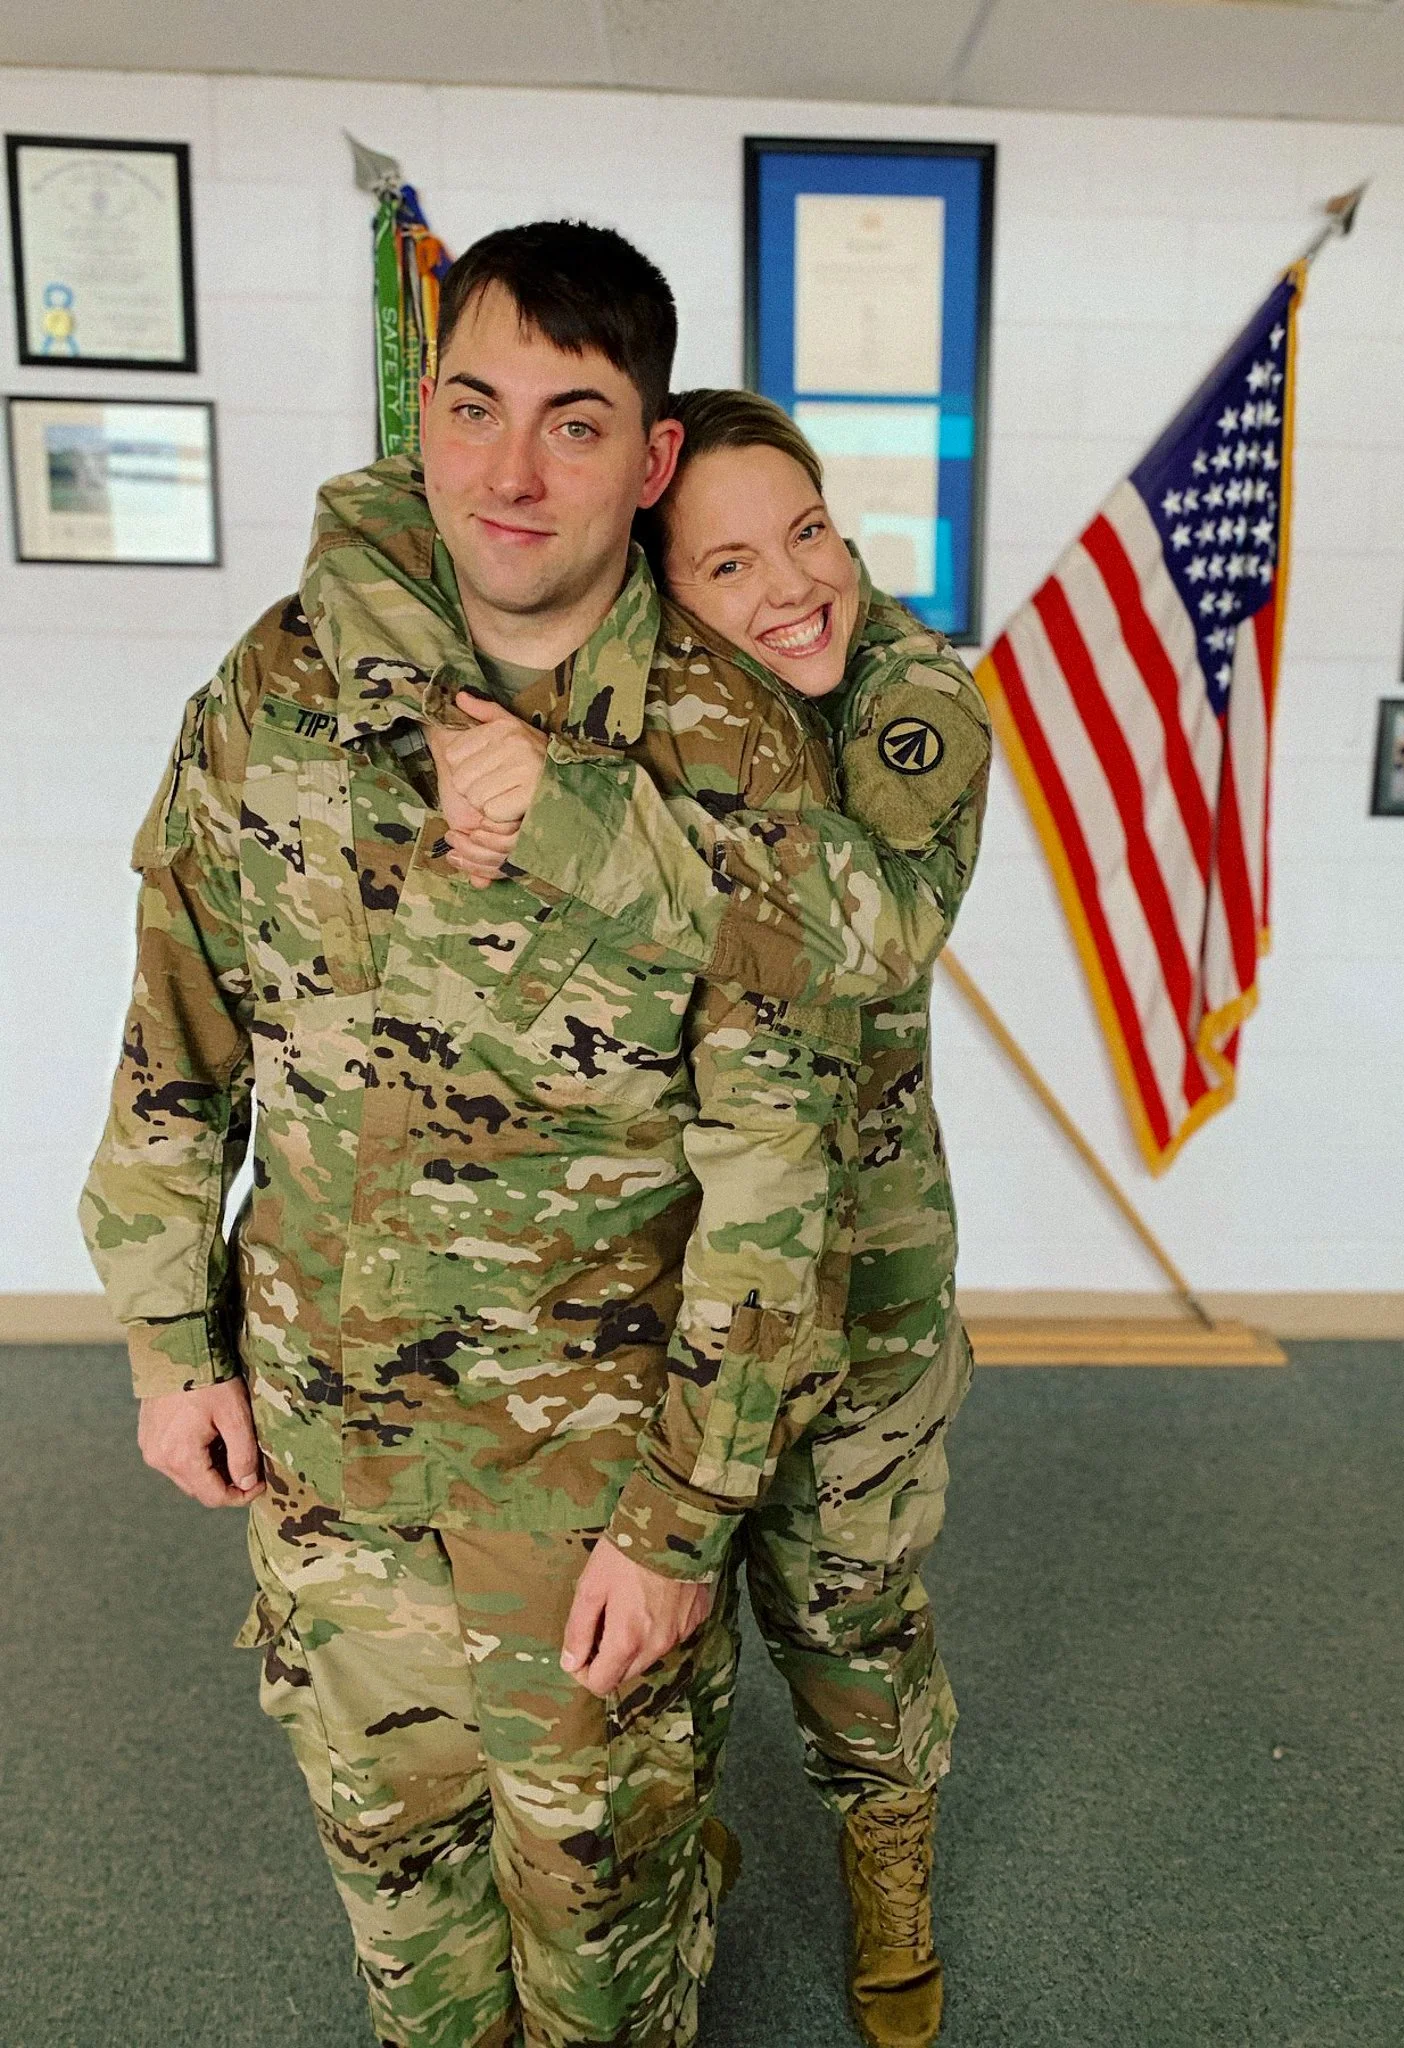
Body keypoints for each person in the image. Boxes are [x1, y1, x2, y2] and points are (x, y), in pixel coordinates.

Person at [81, 221, 871, 2048]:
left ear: (654, 459)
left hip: (588, 1507)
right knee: (409, 1950)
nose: (510, 473)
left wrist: (683, 1525)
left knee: (604, 1964)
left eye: (576, 421)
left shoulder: (729, 756)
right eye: (474, 405)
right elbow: (177, 1020)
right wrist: (163, 1339)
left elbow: (777, 1185)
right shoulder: (284, 689)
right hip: (328, 1476)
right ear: (420, 414)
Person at [300, 389, 991, 2048]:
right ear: (655, 584)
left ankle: (885, 1867)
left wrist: (576, 817)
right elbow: (402, 532)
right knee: (657, 1637)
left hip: (859, 1268)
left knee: (847, 1611)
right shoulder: (628, 711)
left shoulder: (911, 701)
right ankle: (674, 1865)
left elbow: (870, 928)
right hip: (671, 1284)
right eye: (733, 561)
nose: (793, 589)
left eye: (811, 534)